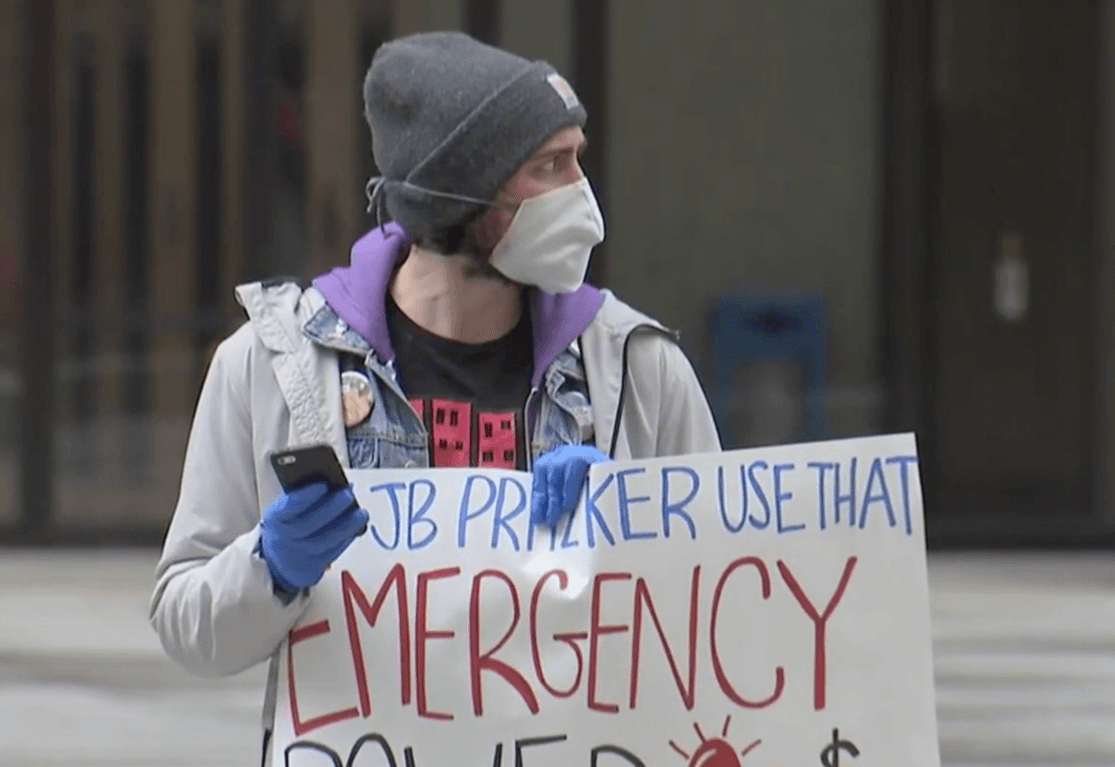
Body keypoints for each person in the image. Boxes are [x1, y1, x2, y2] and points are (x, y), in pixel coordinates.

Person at [148, 31, 720, 758]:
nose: (582, 190)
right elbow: (186, 626)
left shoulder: (637, 367)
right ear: (463, 195)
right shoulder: (268, 364)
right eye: (552, 165)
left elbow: (716, 620)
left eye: (579, 157)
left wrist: (637, 533)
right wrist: (270, 566)